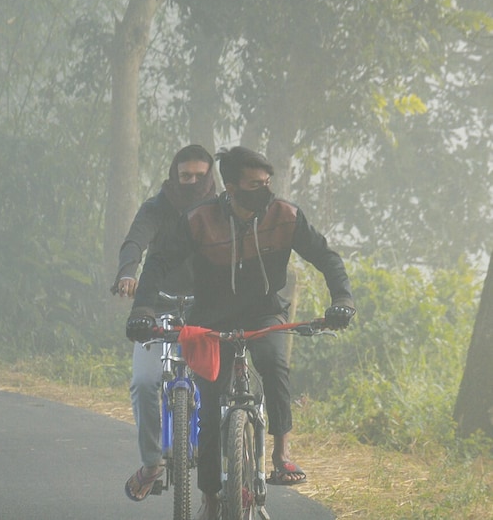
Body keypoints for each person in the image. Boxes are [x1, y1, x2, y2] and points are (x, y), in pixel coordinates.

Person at [126, 146, 355, 520]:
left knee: (273, 362)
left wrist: (342, 298)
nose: (264, 191)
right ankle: (211, 497)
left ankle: (281, 455)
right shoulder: (198, 219)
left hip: (264, 314)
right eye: (254, 185)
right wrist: (143, 309)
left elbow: (326, 256)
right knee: (211, 406)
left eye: (267, 183)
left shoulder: (286, 215)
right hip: (211, 321)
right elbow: (160, 261)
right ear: (230, 187)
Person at [114, 144, 217, 502]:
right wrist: (128, 272)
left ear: (210, 179)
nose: (190, 183)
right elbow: (134, 242)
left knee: (219, 387)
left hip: (207, 311)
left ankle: (220, 471)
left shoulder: (220, 210)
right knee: (144, 382)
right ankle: (151, 463)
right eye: (184, 176)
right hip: (156, 308)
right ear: (173, 176)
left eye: (198, 177)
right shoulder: (157, 208)